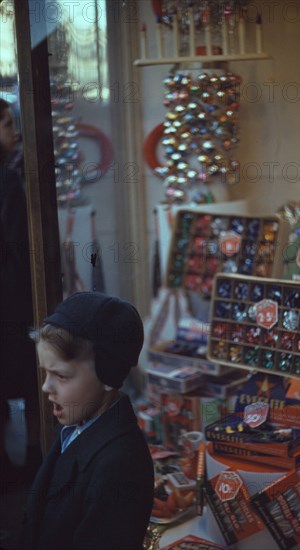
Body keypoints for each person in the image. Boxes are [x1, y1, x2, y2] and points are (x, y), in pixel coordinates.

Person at [22, 291, 155, 550]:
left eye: (61, 376)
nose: (46, 387)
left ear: (109, 374)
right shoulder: (74, 426)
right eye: (45, 372)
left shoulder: (119, 466)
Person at [0, 98, 41, 481]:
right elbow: (19, 246)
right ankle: (33, 457)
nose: (15, 133)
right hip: (9, 308)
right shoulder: (7, 180)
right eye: (8, 124)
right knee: (31, 383)